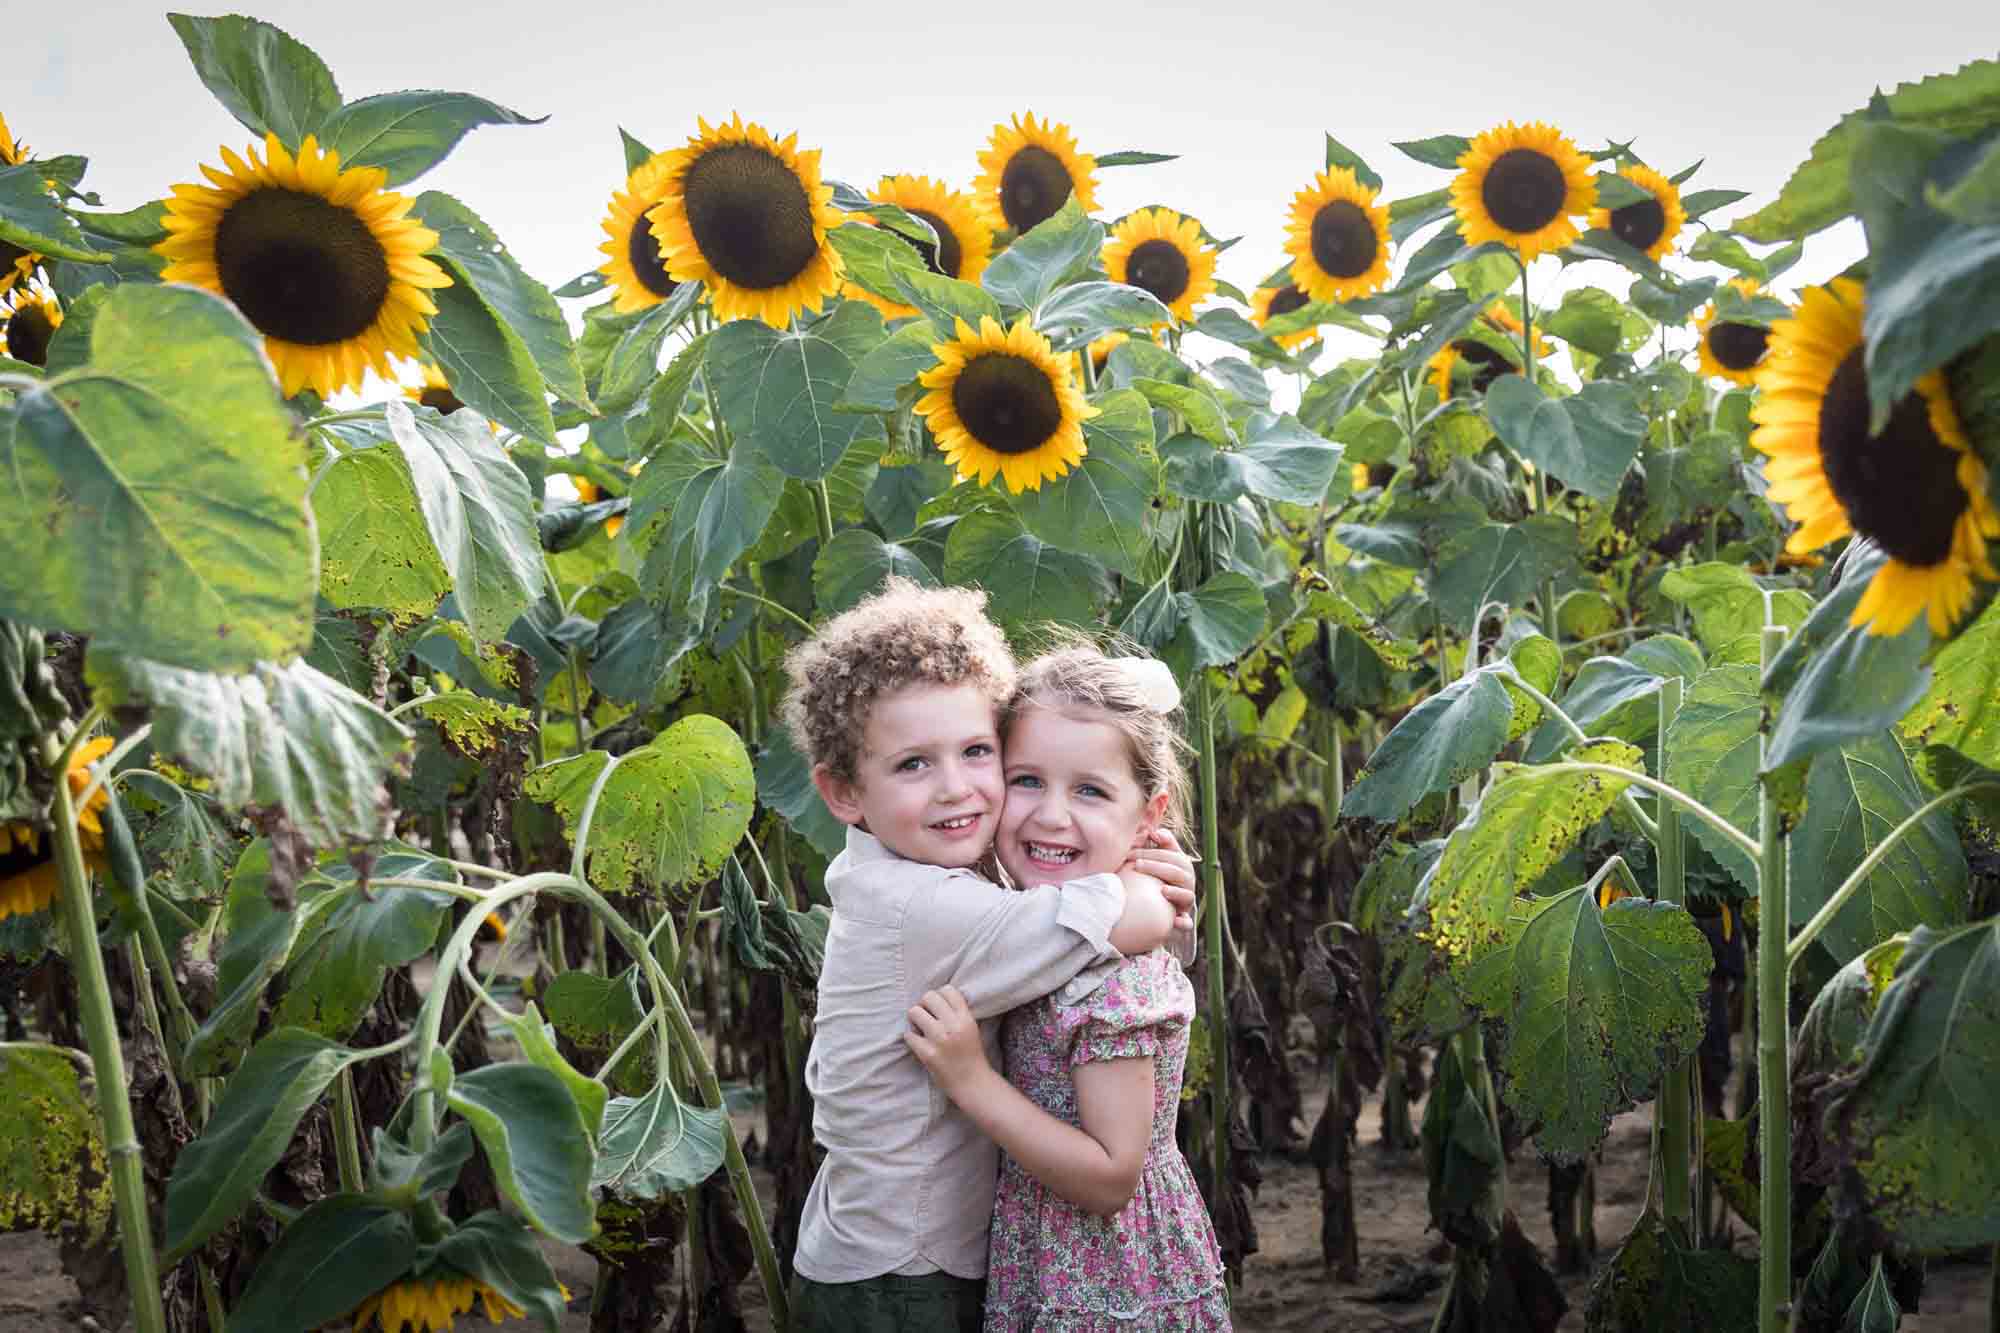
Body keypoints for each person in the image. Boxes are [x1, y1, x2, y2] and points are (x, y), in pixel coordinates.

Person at [781, 579, 1197, 1332]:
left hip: (887, 1248)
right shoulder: (925, 906)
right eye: (914, 764)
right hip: (905, 1271)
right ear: (843, 792)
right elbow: (1096, 919)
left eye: (978, 752)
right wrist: (1156, 891)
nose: (954, 790)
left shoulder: (904, 873)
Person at [905, 641, 1230, 1330]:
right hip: (1050, 1256)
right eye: (1027, 780)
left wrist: (971, 1081)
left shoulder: (1111, 977)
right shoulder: (1031, 918)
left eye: (1089, 789)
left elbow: (1112, 1176)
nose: (1051, 815)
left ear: (1149, 813)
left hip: (1108, 1277)